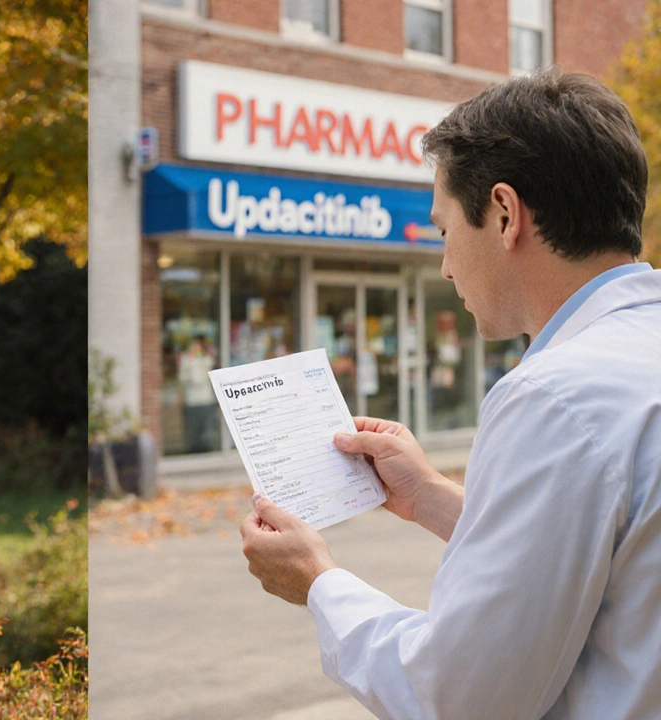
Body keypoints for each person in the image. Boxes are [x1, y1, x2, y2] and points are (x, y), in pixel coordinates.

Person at [241, 70, 661, 719]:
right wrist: (434, 500)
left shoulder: (553, 398)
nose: (444, 264)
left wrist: (319, 583)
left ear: (503, 214)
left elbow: (461, 697)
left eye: (443, 231)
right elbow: (608, 551)